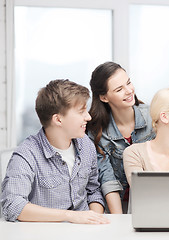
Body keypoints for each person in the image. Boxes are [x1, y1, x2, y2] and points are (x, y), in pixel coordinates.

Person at [0, 79, 109, 224]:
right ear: (58, 119)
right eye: (81, 111)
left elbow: (93, 192)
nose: (88, 117)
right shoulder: (26, 154)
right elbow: (12, 206)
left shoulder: (86, 145)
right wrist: (70, 216)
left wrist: (93, 219)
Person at [87, 62, 155, 214]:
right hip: (117, 207)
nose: (129, 91)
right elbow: (107, 179)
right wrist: (118, 221)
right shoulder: (96, 132)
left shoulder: (153, 117)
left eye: (128, 83)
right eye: (119, 89)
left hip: (153, 202)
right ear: (104, 97)